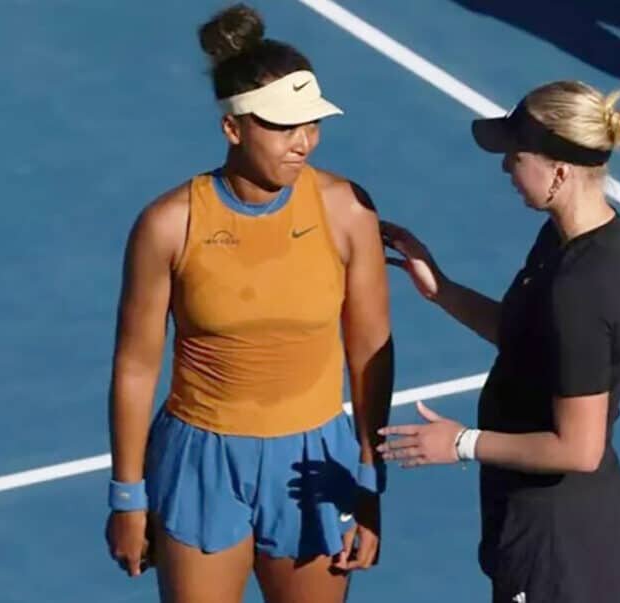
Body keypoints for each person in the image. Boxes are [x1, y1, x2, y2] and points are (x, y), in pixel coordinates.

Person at [104, 4, 393, 602]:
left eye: (311, 125)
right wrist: (127, 496)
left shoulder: (347, 210)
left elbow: (370, 349)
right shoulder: (168, 225)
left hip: (315, 461)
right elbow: (135, 367)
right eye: (284, 128)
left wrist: (370, 478)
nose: (303, 143)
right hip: (201, 461)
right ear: (233, 129)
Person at [378, 80, 620, 603]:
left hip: (557, 551)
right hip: (544, 528)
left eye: (517, 155)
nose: (507, 166)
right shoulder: (570, 240)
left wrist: (462, 443)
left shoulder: (582, 288)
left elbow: (580, 448)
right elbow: (528, 340)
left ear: (559, 171)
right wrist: (441, 290)